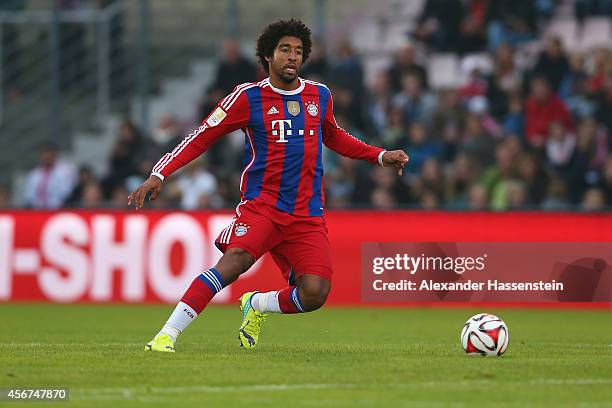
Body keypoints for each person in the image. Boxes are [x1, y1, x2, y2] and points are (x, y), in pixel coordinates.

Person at [128, 19, 409, 352]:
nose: (292, 57)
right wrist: (160, 173)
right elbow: (201, 136)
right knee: (234, 263)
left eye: (298, 51)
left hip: (306, 214)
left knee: (315, 293)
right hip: (263, 207)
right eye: (284, 50)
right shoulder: (247, 97)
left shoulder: (319, 95)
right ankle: (166, 335)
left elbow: (335, 137)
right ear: (268, 56)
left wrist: (380, 156)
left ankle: (257, 304)